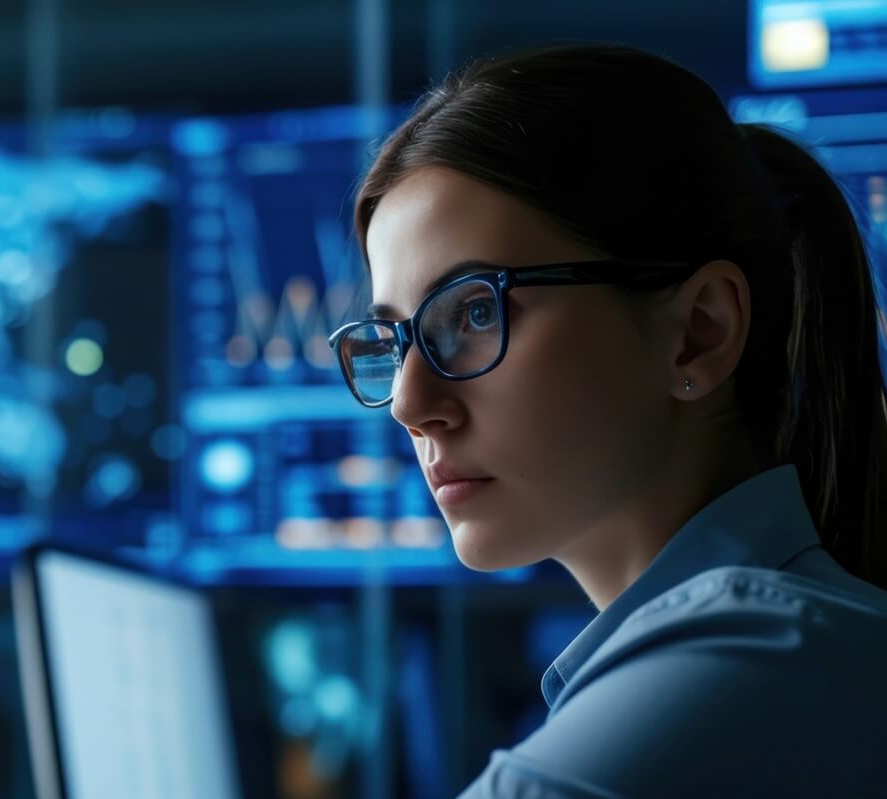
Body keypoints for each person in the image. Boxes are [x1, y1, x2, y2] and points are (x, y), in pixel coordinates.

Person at [330, 44, 887, 797]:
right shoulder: (792, 645)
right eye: (393, 338)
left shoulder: (762, 654)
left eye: (474, 311)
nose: (408, 402)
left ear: (699, 331)